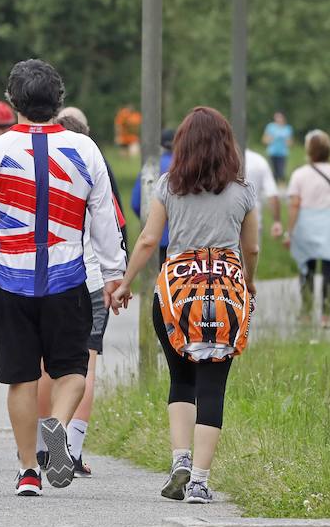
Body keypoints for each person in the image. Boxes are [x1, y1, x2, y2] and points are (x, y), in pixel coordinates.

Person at [0, 59, 126, 496]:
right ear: (60, 102)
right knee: (72, 369)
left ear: (12, 101)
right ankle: (56, 423)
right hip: (69, 278)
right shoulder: (85, 150)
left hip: (12, 280)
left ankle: (28, 469)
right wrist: (114, 274)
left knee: (20, 378)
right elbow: (105, 219)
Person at [106, 106, 258, 504]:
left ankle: (179, 462)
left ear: (182, 146)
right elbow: (252, 247)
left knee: (181, 379)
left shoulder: (169, 186)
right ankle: (200, 483)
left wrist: (124, 285)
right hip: (226, 292)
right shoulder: (242, 190)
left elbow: (146, 240)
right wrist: (250, 283)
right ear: (227, 145)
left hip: (176, 292)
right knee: (213, 386)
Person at [33, 105, 128, 478]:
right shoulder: (95, 165)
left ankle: (42, 449)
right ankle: (71, 447)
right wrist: (116, 275)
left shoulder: (41, 166)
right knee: (84, 365)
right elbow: (115, 225)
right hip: (90, 281)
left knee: (44, 365)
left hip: (50, 278)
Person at [285, 129, 330, 328]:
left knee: (306, 269)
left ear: (309, 151)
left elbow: (294, 205)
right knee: (329, 270)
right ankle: (326, 316)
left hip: (307, 224)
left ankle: (306, 312)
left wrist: (289, 232)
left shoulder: (299, 174)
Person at [130, 127, 175, 261]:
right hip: (183, 242)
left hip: (156, 239)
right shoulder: (188, 167)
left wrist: (151, 221)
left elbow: (136, 202)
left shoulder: (152, 166)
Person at [244, 147, 282, 237]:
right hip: (253, 221)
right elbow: (272, 194)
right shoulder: (259, 161)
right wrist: (277, 221)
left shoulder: (217, 158)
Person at [262, 111, 294, 181]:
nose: (278, 119)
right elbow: (264, 140)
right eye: (276, 117)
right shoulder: (270, 127)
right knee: (272, 172)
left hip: (283, 153)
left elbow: (290, 143)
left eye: (280, 117)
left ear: (283, 118)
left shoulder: (287, 128)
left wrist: (287, 141)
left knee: (281, 172)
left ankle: (281, 187)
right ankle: (273, 187)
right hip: (272, 152)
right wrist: (271, 139)